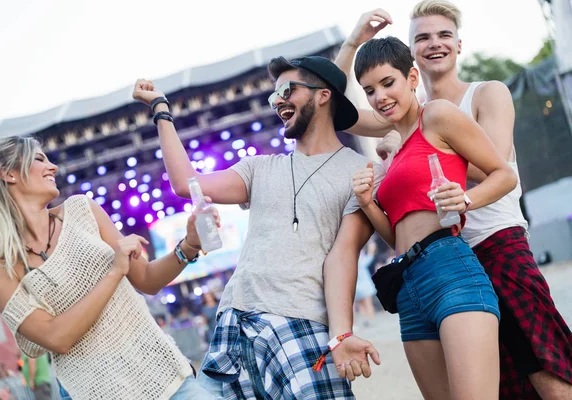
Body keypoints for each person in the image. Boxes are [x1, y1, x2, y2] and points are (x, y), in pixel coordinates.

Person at [336, 3, 572, 398]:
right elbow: (340, 112)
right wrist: (353, 43)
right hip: (437, 261)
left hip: (496, 241)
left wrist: (419, 145)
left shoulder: (481, 95)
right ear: (411, 52)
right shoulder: (402, 112)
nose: (434, 44)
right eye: (423, 37)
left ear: (459, 44)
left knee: (542, 364)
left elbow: (491, 162)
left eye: (443, 35)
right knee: (500, 383)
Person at [132, 55, 379, 399]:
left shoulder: (361, 172)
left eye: (287, 90)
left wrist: (340, 334)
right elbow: (186, 184)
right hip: (233, 328)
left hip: (299, 322)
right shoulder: (259, 168)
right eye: (274, 95)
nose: (278, 100)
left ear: (323, 95)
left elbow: (344, 255)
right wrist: (161, 110)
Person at [0, 136, 221, 399]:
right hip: (92, 392)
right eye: (39, 159)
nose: (53, 166)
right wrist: (114, 272)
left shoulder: (83, 210)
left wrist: (190, 244)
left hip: (164, 376)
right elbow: (56, 337)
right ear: (9, 174)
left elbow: (147, 279)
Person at [351, 35, 518, 399]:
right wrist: (367, 203)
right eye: (369, 90)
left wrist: (466, 199)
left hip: (451, 272)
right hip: (407, 285)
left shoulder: (438, 115)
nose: (379, 97)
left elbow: (504, 174)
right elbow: (397, 237)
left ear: (412, 78)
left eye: (387, 82)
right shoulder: (391, 158)